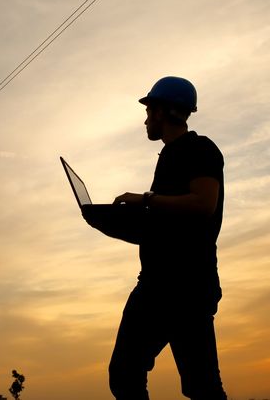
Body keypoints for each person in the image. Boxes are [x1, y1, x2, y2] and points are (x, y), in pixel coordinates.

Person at [87, 76, 227, 400]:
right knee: (131, 375)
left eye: (149, 111)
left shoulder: (199, 149)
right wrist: (111, 222)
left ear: (162, 112)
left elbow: (203, 204)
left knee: (193, 385)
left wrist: (146, 199)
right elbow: (168, 226)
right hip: (160, 283)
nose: (146, 119)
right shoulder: (169, 156)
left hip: (184, 286)